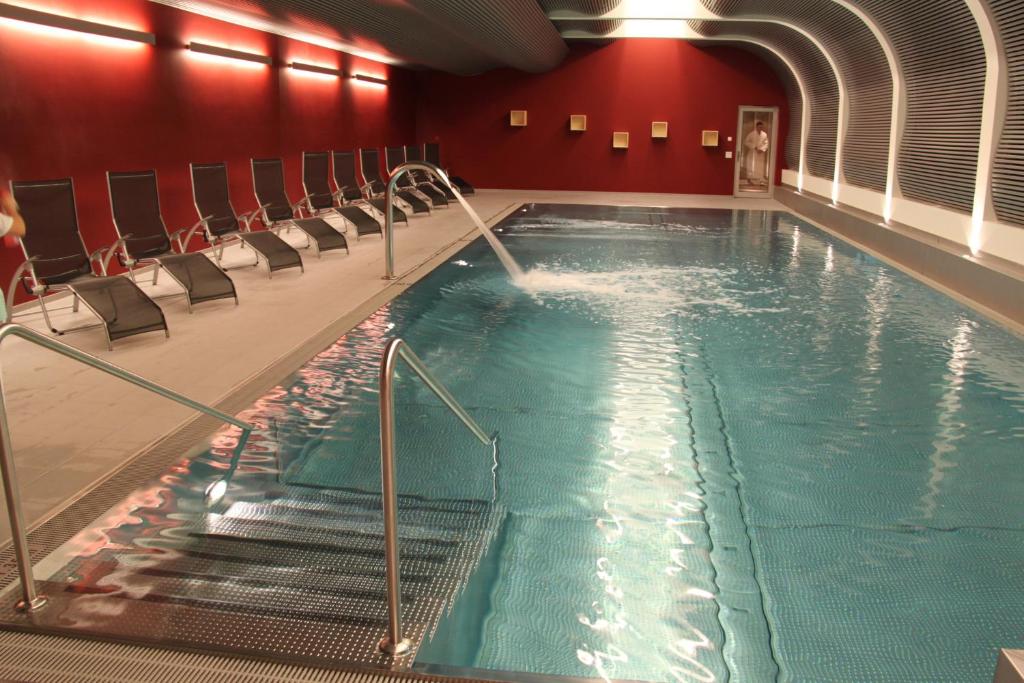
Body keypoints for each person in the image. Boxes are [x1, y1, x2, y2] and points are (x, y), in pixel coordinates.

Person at [743, 121, 770, 187]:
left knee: (760, 167)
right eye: (759, 127)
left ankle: (761, 181)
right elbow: (746, 142)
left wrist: (762, 149)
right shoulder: (751, 134)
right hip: (753, 152)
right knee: (750, 166)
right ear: (756, 126)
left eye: (761, 127)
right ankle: (749, 180)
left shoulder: (764, 134)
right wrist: (754, 147)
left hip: (760, 153)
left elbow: (766, 143)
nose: (760, 128)